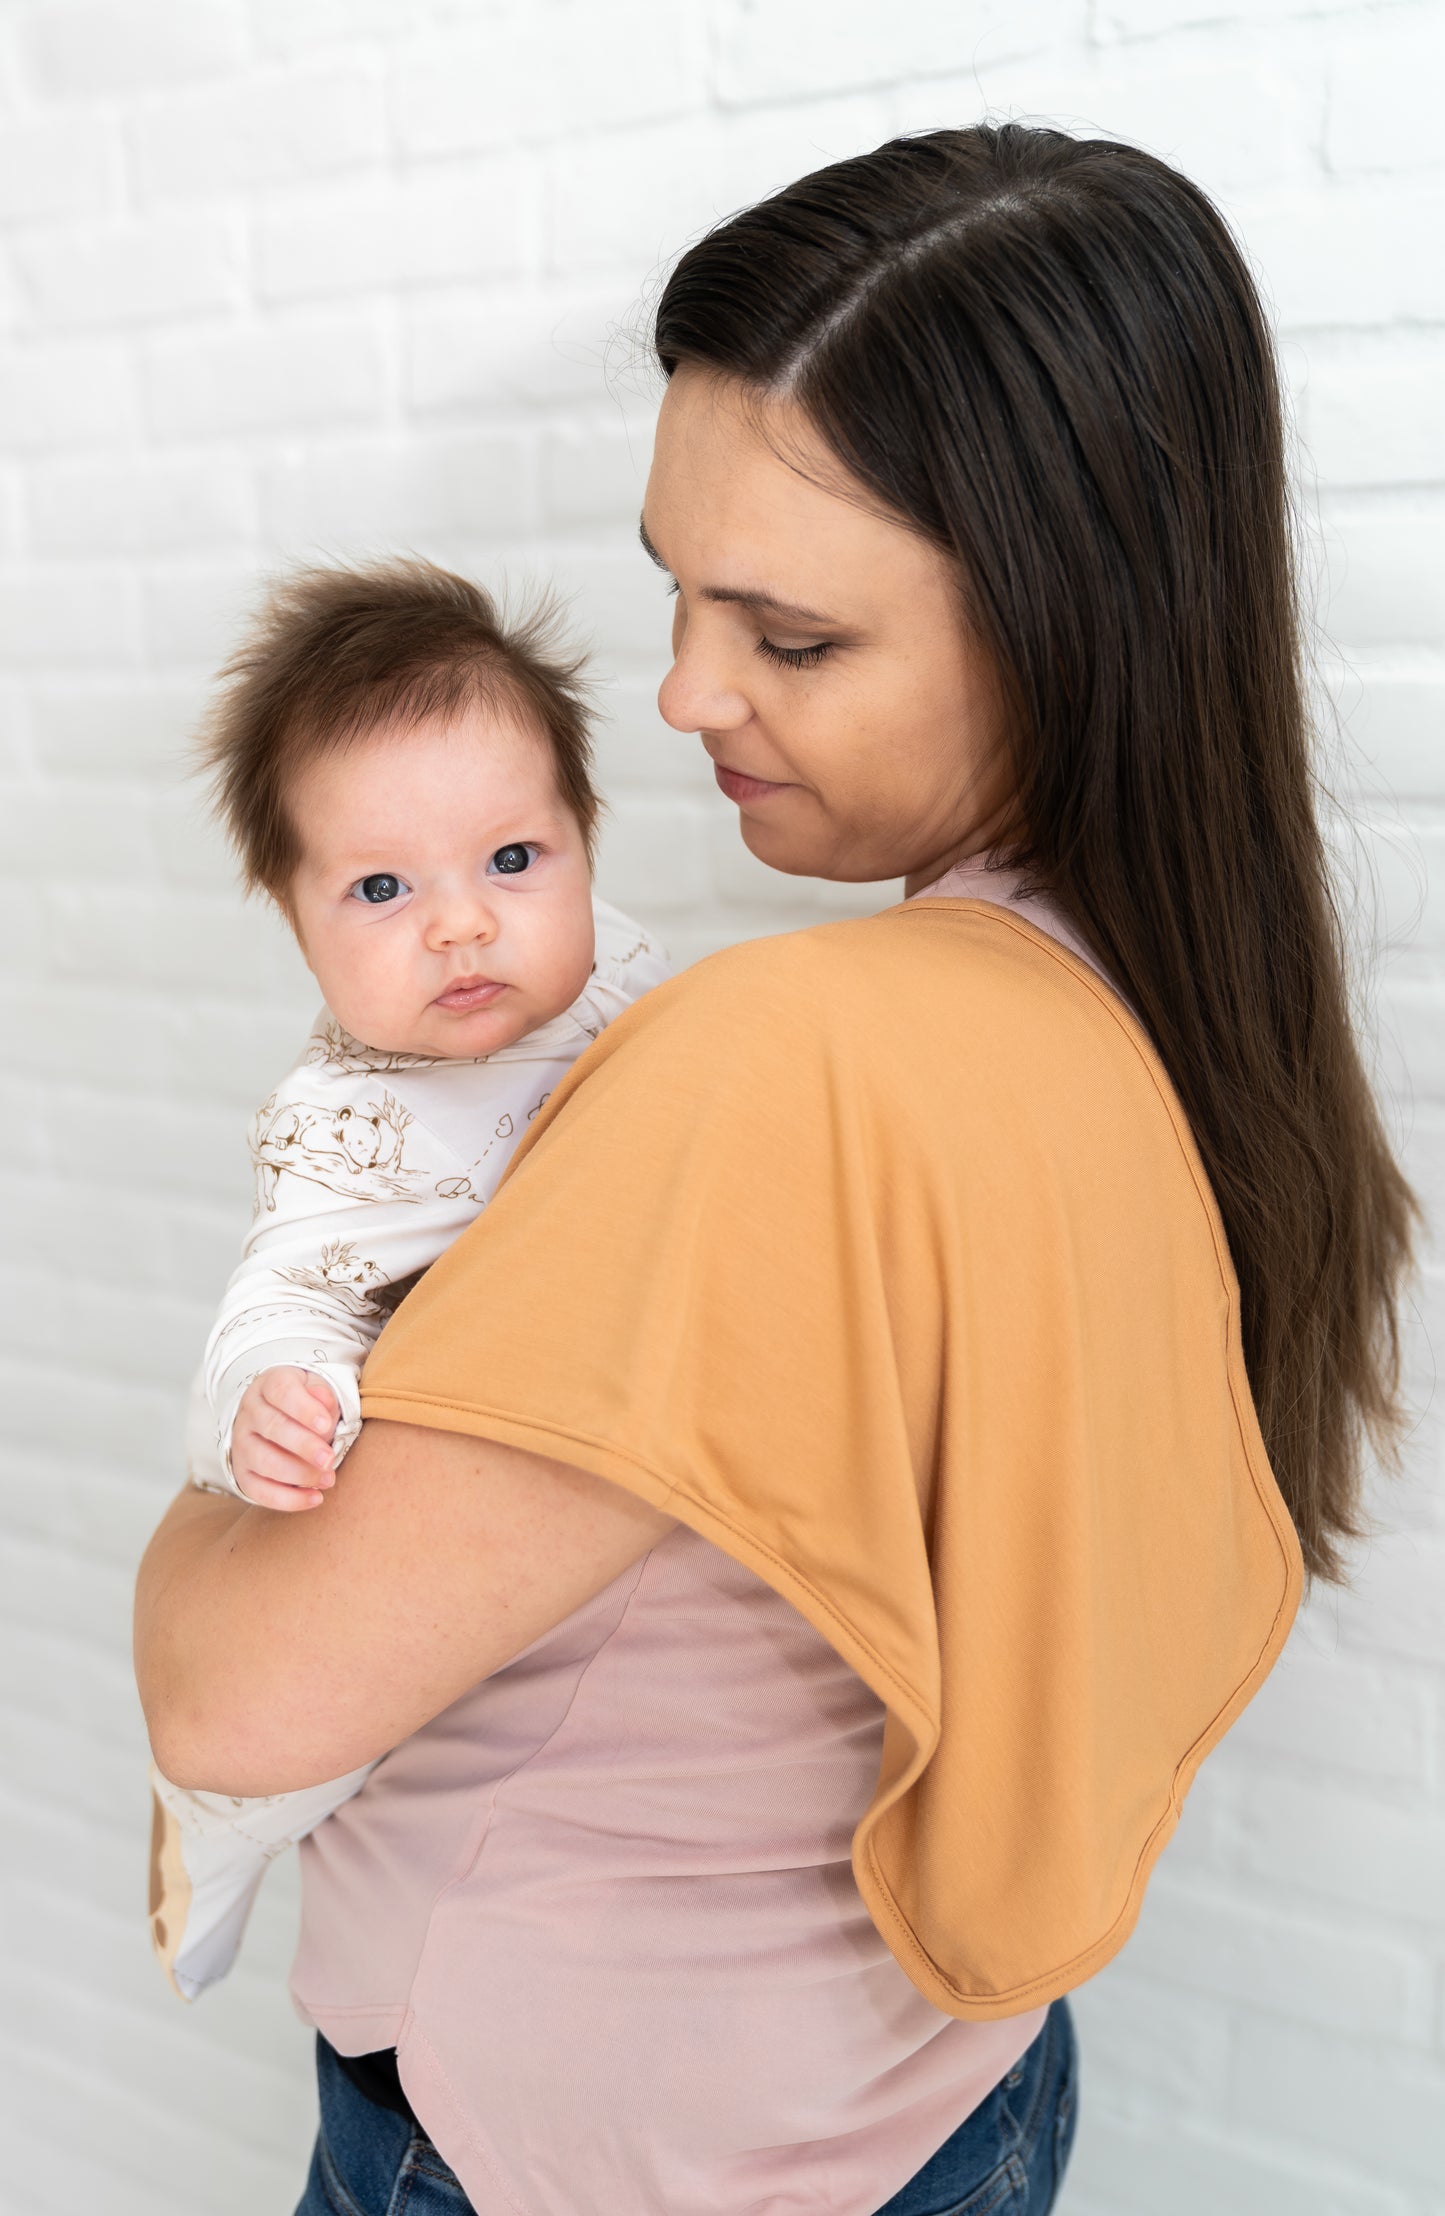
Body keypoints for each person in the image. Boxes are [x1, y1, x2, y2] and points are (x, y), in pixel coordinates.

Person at [135, 123, 1418, 2216]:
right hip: (940, 2093)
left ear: (1070, 623)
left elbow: (238, 1689)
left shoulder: (778, 1062)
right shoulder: (1186, 1020)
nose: (678, 692)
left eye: (791, 639)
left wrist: (185, 1536)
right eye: (673, 589)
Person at [146, 559, 668, 2001]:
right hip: (406, 1481)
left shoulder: (629, 987)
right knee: (297, 1743)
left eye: (513, 861)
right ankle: (215, 1855)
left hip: (590, 1492)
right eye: (381, 887)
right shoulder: (343, 1120)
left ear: (583, 837)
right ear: (293, 910)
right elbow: (282, 1297)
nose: (460, 923)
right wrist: (270, 1397)